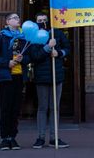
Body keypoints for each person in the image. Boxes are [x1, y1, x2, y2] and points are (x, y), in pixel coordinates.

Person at [0, 13, 29, 150]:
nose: (18, 19)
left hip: (19, 77)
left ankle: (13, 137)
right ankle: (5, 138)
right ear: (7, 21)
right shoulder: (1, 36)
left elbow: (29, 57)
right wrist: (7, 63)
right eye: (14, 18)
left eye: (18, 18)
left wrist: (24, 59)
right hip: (6, 77)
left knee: (16, 109)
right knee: (6, 108)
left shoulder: (24, 37)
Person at [29, 12, 70, 148]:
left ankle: (54, 137)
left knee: (55, 108)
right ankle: (40, 137)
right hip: (41, 77)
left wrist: (59, 53)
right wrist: (47, 47)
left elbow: (67, 48)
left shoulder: (57, 33)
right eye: (39, 20)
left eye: (44, 19)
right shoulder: (34, 36)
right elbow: (34, 56)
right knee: (42, 108)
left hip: (56, 76)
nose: (42, 22)